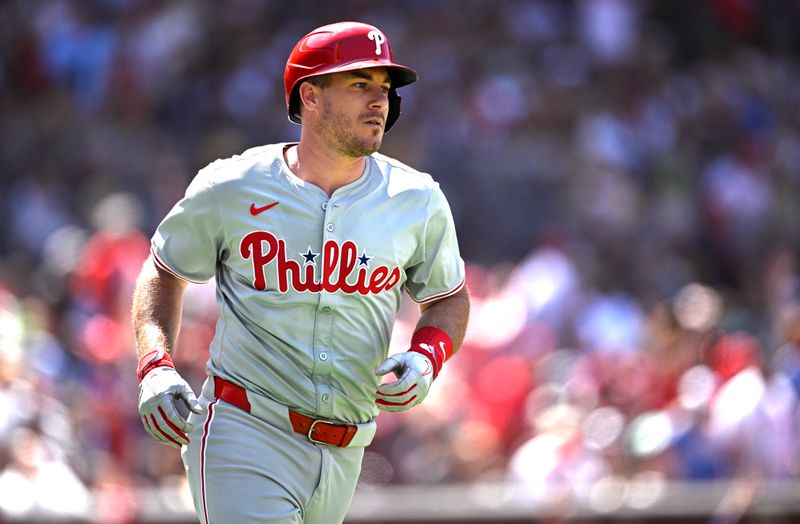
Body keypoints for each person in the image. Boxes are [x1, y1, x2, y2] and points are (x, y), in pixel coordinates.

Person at [132, 21, 470, 524]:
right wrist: (154, 364)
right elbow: (164, 272)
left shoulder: (417, 199)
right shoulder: (233, 185)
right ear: (309, 95)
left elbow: (448, 297)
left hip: (348, 446)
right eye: (360, 85)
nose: (380, 101)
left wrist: (426, 356)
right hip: (245, 429)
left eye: (385, 88)